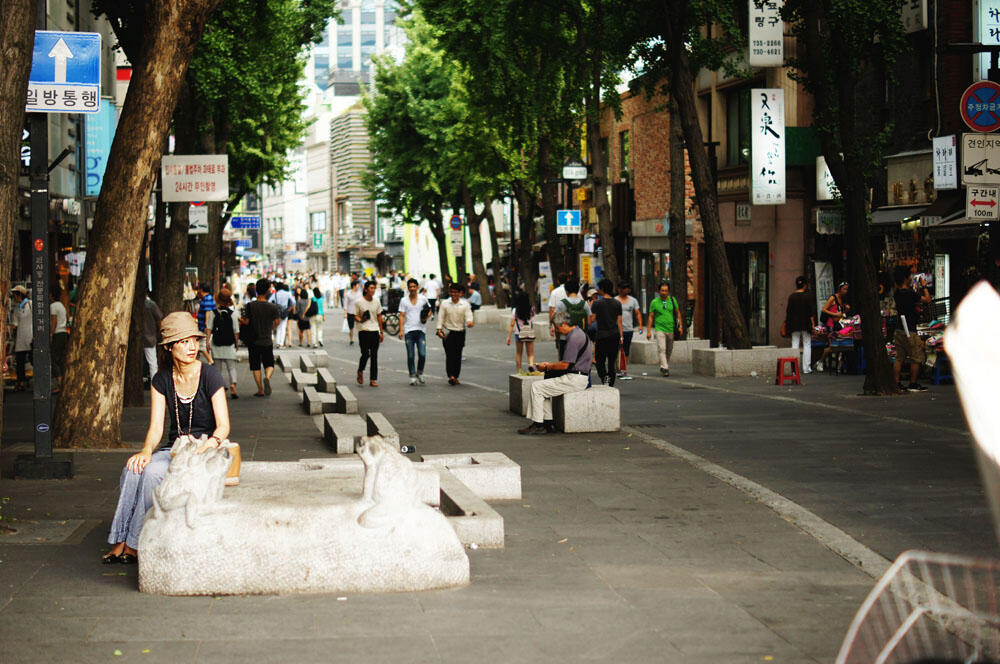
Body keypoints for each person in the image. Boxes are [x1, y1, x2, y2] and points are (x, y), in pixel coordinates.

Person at [103, 312, 230, 564]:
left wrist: (206, 446)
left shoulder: (209, 375)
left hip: (206, 452)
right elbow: (156, 426)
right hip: (174, 450)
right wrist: (145, 451)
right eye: (184, 341)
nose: (192, 347)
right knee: (134, 468)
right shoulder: (161, 379)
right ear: (170, 347)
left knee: (151, 474)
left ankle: (136, 542)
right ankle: (120, 540)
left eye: (194, 340)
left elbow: (224, 426)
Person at [517, 311, 592, 435]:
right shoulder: (579, 333)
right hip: (579, 376)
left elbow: (565, 364)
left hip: (575, 379)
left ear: (563, 324)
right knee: (544, 388)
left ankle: (538, 424)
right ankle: (547, 423)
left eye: (557, 328)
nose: (557, 331)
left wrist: (547, 367)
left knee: (536, 387)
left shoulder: (574, 338)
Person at [241, 278, 280, 397]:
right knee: (269, 364)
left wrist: (240, 320)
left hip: (253, 340)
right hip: (267, 339)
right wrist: (271, 327)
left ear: (256, 290)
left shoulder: (250, 305)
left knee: (255, 365)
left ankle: (260, 390)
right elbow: (277, 321)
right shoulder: (272, 307)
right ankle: (267, 377)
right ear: (268, 290)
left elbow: (246, 322)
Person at [892, 267, 929, 392]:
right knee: (916, 357)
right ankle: (913, 383)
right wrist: (924, 287)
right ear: (905, 278)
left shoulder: (897, 293)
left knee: (899, 357)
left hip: (899, 328)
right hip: (910, 328)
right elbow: (927, 300)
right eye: (909, 276)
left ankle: (896, 382)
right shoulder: (910, 293)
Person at [437, 282, 474, 385]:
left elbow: (469, 316)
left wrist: (470, 322)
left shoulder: (465, 304)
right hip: (448, 332)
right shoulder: (445, 303)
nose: (453, 294)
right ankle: (451, 376)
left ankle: (456, 375)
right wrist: (439, 330)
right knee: (449, 354)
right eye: (451, 292)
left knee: (458, 355)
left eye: (455, 292)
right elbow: (440, 317)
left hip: (460, 332)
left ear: (460, 293)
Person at [207, 289, 240, 399]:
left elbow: (209, 328)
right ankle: (233, 384)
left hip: (216, 344)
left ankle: (220, 388)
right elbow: (236, 331)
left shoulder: (213, 313)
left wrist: (207, 342)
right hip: (229, 344)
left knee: (217, 369)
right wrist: (236, 344)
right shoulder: (233, 314)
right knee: (231, 367)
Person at [589, 278, 623, 387]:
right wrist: (621, 336)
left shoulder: (597, 303)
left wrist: (590, 309)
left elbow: (592, 320)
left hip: (602, 335)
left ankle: (604, 378)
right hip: (614, 335)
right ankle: (610, 382)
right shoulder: (617, 303)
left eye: (599, 288)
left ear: (603, 289)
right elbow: (619, 321)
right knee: (612, 361)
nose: (598, 290)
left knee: (600, 361)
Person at [646, 282, 683, 377]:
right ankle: (665, 367)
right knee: (662, 348)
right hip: (660, 328)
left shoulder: (672, 300)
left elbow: (678, 313)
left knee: (669, 349)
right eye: (662, 290)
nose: (664, 292)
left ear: (668, 291)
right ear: (659, 291)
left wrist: (680, 326)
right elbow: (650, 317)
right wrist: (649, 331)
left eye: (666, 290)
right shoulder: (654, 302)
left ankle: (663, 365)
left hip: (671, 328)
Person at [398, 278, 430, 385]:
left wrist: (425, 318)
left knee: (422, 354)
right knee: (410, 355)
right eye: (410, 287)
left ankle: (419, 373)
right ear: (408, 288)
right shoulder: (404, 300)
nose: (412, 289)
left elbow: (429, 310)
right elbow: (402, 316)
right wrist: (401, 330)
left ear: (417, 287)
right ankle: (412, 375)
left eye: (414, 286)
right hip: (409, 331)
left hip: (421, 330)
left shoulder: (423, 299)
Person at [354, 281, 384, 387]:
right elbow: (355, 315)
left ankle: (373, 379)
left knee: (374, 355)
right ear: (366, 289)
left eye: (374, 288)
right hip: (363, 330)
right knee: (365, 354)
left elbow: (379, 316)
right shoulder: (359, 302)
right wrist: (361, 319)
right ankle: (360, 370)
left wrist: (381, 332)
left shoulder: (377, 301)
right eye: (371, 288)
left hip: (374, 330)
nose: (373, 290)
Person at [817, 282, 851, 372]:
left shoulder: (842, 299)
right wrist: (835, 314)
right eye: (844, 289)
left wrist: (846, 310)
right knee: (831, 345)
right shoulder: (833, 298)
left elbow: (841, 312)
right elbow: (824, 309)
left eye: (847, 289)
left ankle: (839, 366)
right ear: (839, 289)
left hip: (838, 323)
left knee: (840, 344)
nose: (845, 291)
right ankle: (820, 361)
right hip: (830, 323)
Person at [784, 276, 815, 374]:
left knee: (795, 344)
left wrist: (787, 323)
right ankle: (806, 368)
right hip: (806, 323)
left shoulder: (791, 296)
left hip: (794, 324)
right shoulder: (808, 296)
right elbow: (811, 312)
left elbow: (788, 311)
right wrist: (813, 325)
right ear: (805, 285)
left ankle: (794, 369)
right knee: (807, 344)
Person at [553, 281, 591, 358]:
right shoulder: (584, 304)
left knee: (565, 364)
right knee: (580, 362)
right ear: (578, 290)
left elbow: (557, 323)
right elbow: (589, 322)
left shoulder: (562, 304)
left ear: (566, 291)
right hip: (582, 338)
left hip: (565, 338)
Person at [616, 281, 643, 380]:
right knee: (617, 349)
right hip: (617, 329)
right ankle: (617, 368)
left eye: (627, 288)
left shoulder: (633, 300)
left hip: (628, 329)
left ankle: (624, 369)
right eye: (624, 288)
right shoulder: (615, 300)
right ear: (619, 289)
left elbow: (638, 313)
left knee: (626, 350)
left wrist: (640, 325)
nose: (626, 290)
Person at [506, 291, 536, 374]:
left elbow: (512, 324)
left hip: (519, 334)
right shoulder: (532, 309)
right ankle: (531, 365)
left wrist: (508, 337)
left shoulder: (516, 310)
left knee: (519, 353)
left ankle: (519, 370)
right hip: (529, 333)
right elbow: (532, 317)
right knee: (530, 353)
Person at [10, 285, 32, 391]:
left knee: (33, 360)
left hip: (31, 337)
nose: (13, 297)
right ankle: (21, 382)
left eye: (14, 294)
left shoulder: (31, 305)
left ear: (19, 295)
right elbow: (15, 324)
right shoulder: (16, 309)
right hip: (21, 338)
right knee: (20, 361)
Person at [49, 285, 69, 393]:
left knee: (53, 358)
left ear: (52, 295)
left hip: (57, 333)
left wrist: (51, 334)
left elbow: (54, 321)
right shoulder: (61, 305)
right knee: (61, 358)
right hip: (64, 333)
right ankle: (62, 383)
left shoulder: (54, 306)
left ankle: (60, 382)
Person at [142, 293, 164, 381]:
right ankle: (154, 385)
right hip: (149, 337)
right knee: (152, 364)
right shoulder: (150, 304)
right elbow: (160, 320)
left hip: (142, 337)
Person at [269, 282, 295, 348]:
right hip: (285, 312)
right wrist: (289, 308)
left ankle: (277, 342)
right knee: (283, 327)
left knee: (278, 327)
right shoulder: (288, 293)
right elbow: (293, 302)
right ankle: (281, 343)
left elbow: (269, 301)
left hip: (277, 311)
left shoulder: (275, 294)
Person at [195, 283, 216, 363]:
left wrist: (206, 326)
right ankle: (210, 362)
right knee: (204, 346)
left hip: (205, 328)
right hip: (203, 327)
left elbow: (208, 313)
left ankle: (211, 361)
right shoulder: (207, 298)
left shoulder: (207, 299)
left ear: (201, 290)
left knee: (202, 347)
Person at [343, 279, 361, 345]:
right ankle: (351, 339)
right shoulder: (348, 294)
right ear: (354, 286)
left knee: (360, 326)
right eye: (357, 285)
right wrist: (345, 313)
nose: (358, 286)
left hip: (358, 313)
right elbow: (345, 304)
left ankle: (361, 339)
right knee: (351, 328)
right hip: (350, 312)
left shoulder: (360, 294)